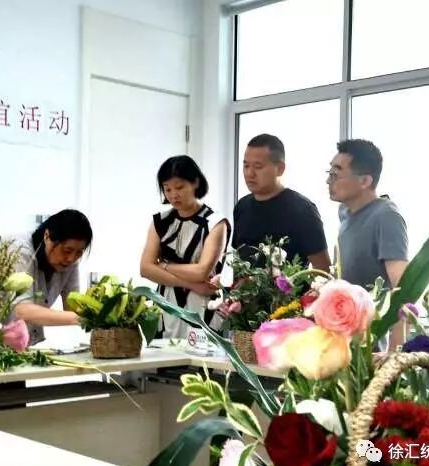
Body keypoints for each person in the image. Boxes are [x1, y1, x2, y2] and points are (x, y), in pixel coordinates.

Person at [327, 138, 408, 350]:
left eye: (336, 173)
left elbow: (404, 289)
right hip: (344, 345)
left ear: (365, 181)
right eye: (329, 172)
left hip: (371, 353)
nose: (328, 180)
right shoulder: (345, 214)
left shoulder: (387, 217)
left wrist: (395, 353)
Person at [140, 155, 230, 339]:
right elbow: (145, 269)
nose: (173, 195)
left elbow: (201, 272)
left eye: (179, 187)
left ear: (195, 182)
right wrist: (189, 283)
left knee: (200, 354)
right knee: (164, 354)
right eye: (167, 189)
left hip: (203, 306)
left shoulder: (215, 222)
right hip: (166, 305)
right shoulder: (160, 221)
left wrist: (163, 265)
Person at [232, 133, 330, 271]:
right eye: (246, 166)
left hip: (288, 285)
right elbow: (237, 258)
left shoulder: (303, 211)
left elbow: (323, 271)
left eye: (258, 166)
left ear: (280, 169)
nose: (249, 173)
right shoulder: (242, 206)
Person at [11, 209, 93, 345]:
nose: (71, 258)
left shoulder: (71, 262)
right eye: (67, 250)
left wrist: (101, 309)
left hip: (22, 344)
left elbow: (72, 306)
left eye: (79, 253)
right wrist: (82, 319)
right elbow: (22, 310)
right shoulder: (19, 251)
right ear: (47, 236)